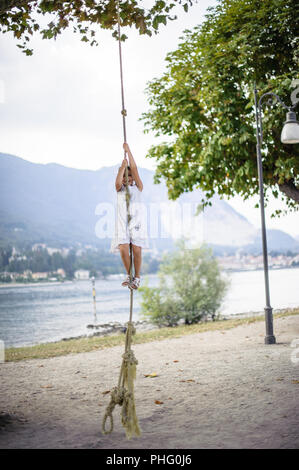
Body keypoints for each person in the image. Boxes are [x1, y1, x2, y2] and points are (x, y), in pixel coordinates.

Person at [111, 142, 148, 289]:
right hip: (122, 222)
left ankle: (137, 277)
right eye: (126, 177)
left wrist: (128, 151)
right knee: (123, 248)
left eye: (130, 177)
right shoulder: (120, 189)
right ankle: (129, 274)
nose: (128, 179)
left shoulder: (138, 188)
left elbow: (134, 168)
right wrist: (121, 168)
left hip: (136, 222)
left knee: (137, 250)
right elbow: (117, 183)